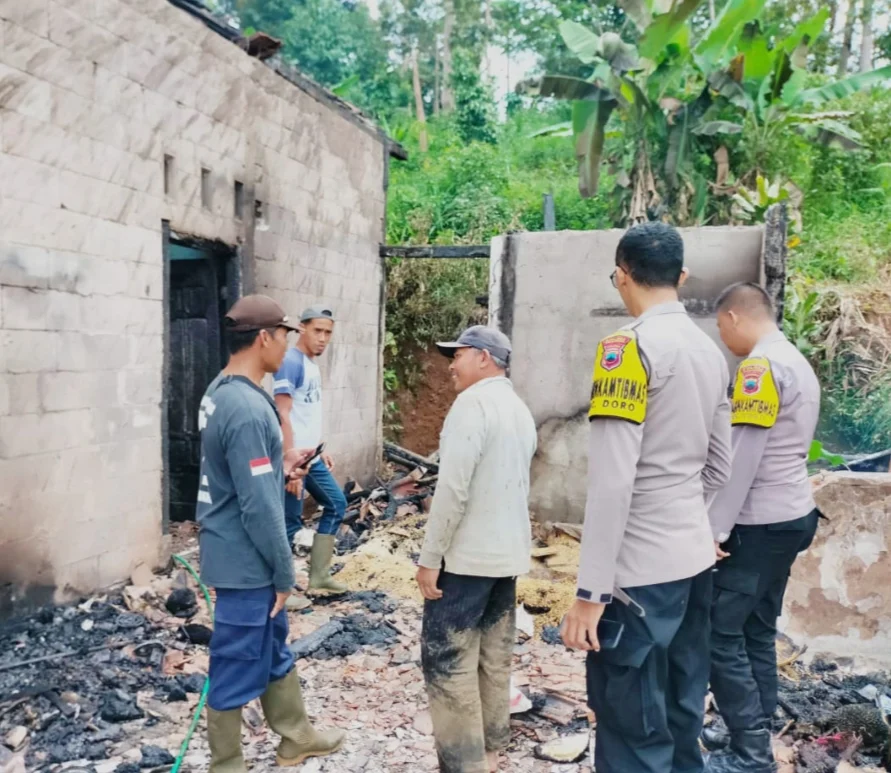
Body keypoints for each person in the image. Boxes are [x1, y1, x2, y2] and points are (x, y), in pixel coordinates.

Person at [561, 222, 733, 773]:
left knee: (633, 725)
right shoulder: (710, 353)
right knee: (682, 711)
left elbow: (613, 482)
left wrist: (590, 592)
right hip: (693, 562)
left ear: (621, 276)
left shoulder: (627, 349)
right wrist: (686, 518)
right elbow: (720, 466)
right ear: (681, 277)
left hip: (637, 575)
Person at [196, 295, 344, 773]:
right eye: (285, 335)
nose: (288, 345)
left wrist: (280, 466)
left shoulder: (223, 390)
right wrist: (284, 573)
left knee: (272, 642)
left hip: (238, 549)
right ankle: (226, 764)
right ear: (264, 338)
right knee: (235, 658)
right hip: (244, 559)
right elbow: (258, 507)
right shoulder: (246, 406)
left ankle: (296, 736)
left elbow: (241, 474)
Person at [703, 283, 821, 773]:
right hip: (791, 515)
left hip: (759, 522)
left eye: (720, 328)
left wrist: (714, 529)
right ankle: (752, 723)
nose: (723, 338)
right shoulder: (795, 360)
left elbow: (742, 457)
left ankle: (750, 754)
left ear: (733, 317)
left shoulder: (760, 367)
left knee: (718, 633)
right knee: (755, 626)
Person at [416, 326, 537, 773]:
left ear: (484, 358)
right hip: (506, 558)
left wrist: (430, 558)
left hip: (467, 560)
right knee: (492, 655)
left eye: (458, 355)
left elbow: (452, 490)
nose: (452, 365)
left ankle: (463, 762)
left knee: (448, 658)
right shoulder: (518, 408)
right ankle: (490, 749)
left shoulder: (473, 404)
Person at [273, 305, 348, 593]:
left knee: (336, 504)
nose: (323, 338)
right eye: (317, 331)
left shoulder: (310, 364)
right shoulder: (290, 362)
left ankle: (319, 576)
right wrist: (290, 465)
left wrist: (317, 447)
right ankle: (282, 589)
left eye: (328, 333)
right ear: (302, 328)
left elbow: (305, 413)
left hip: (310, 458)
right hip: (294, 461)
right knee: (289, 524)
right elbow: (283, 414)